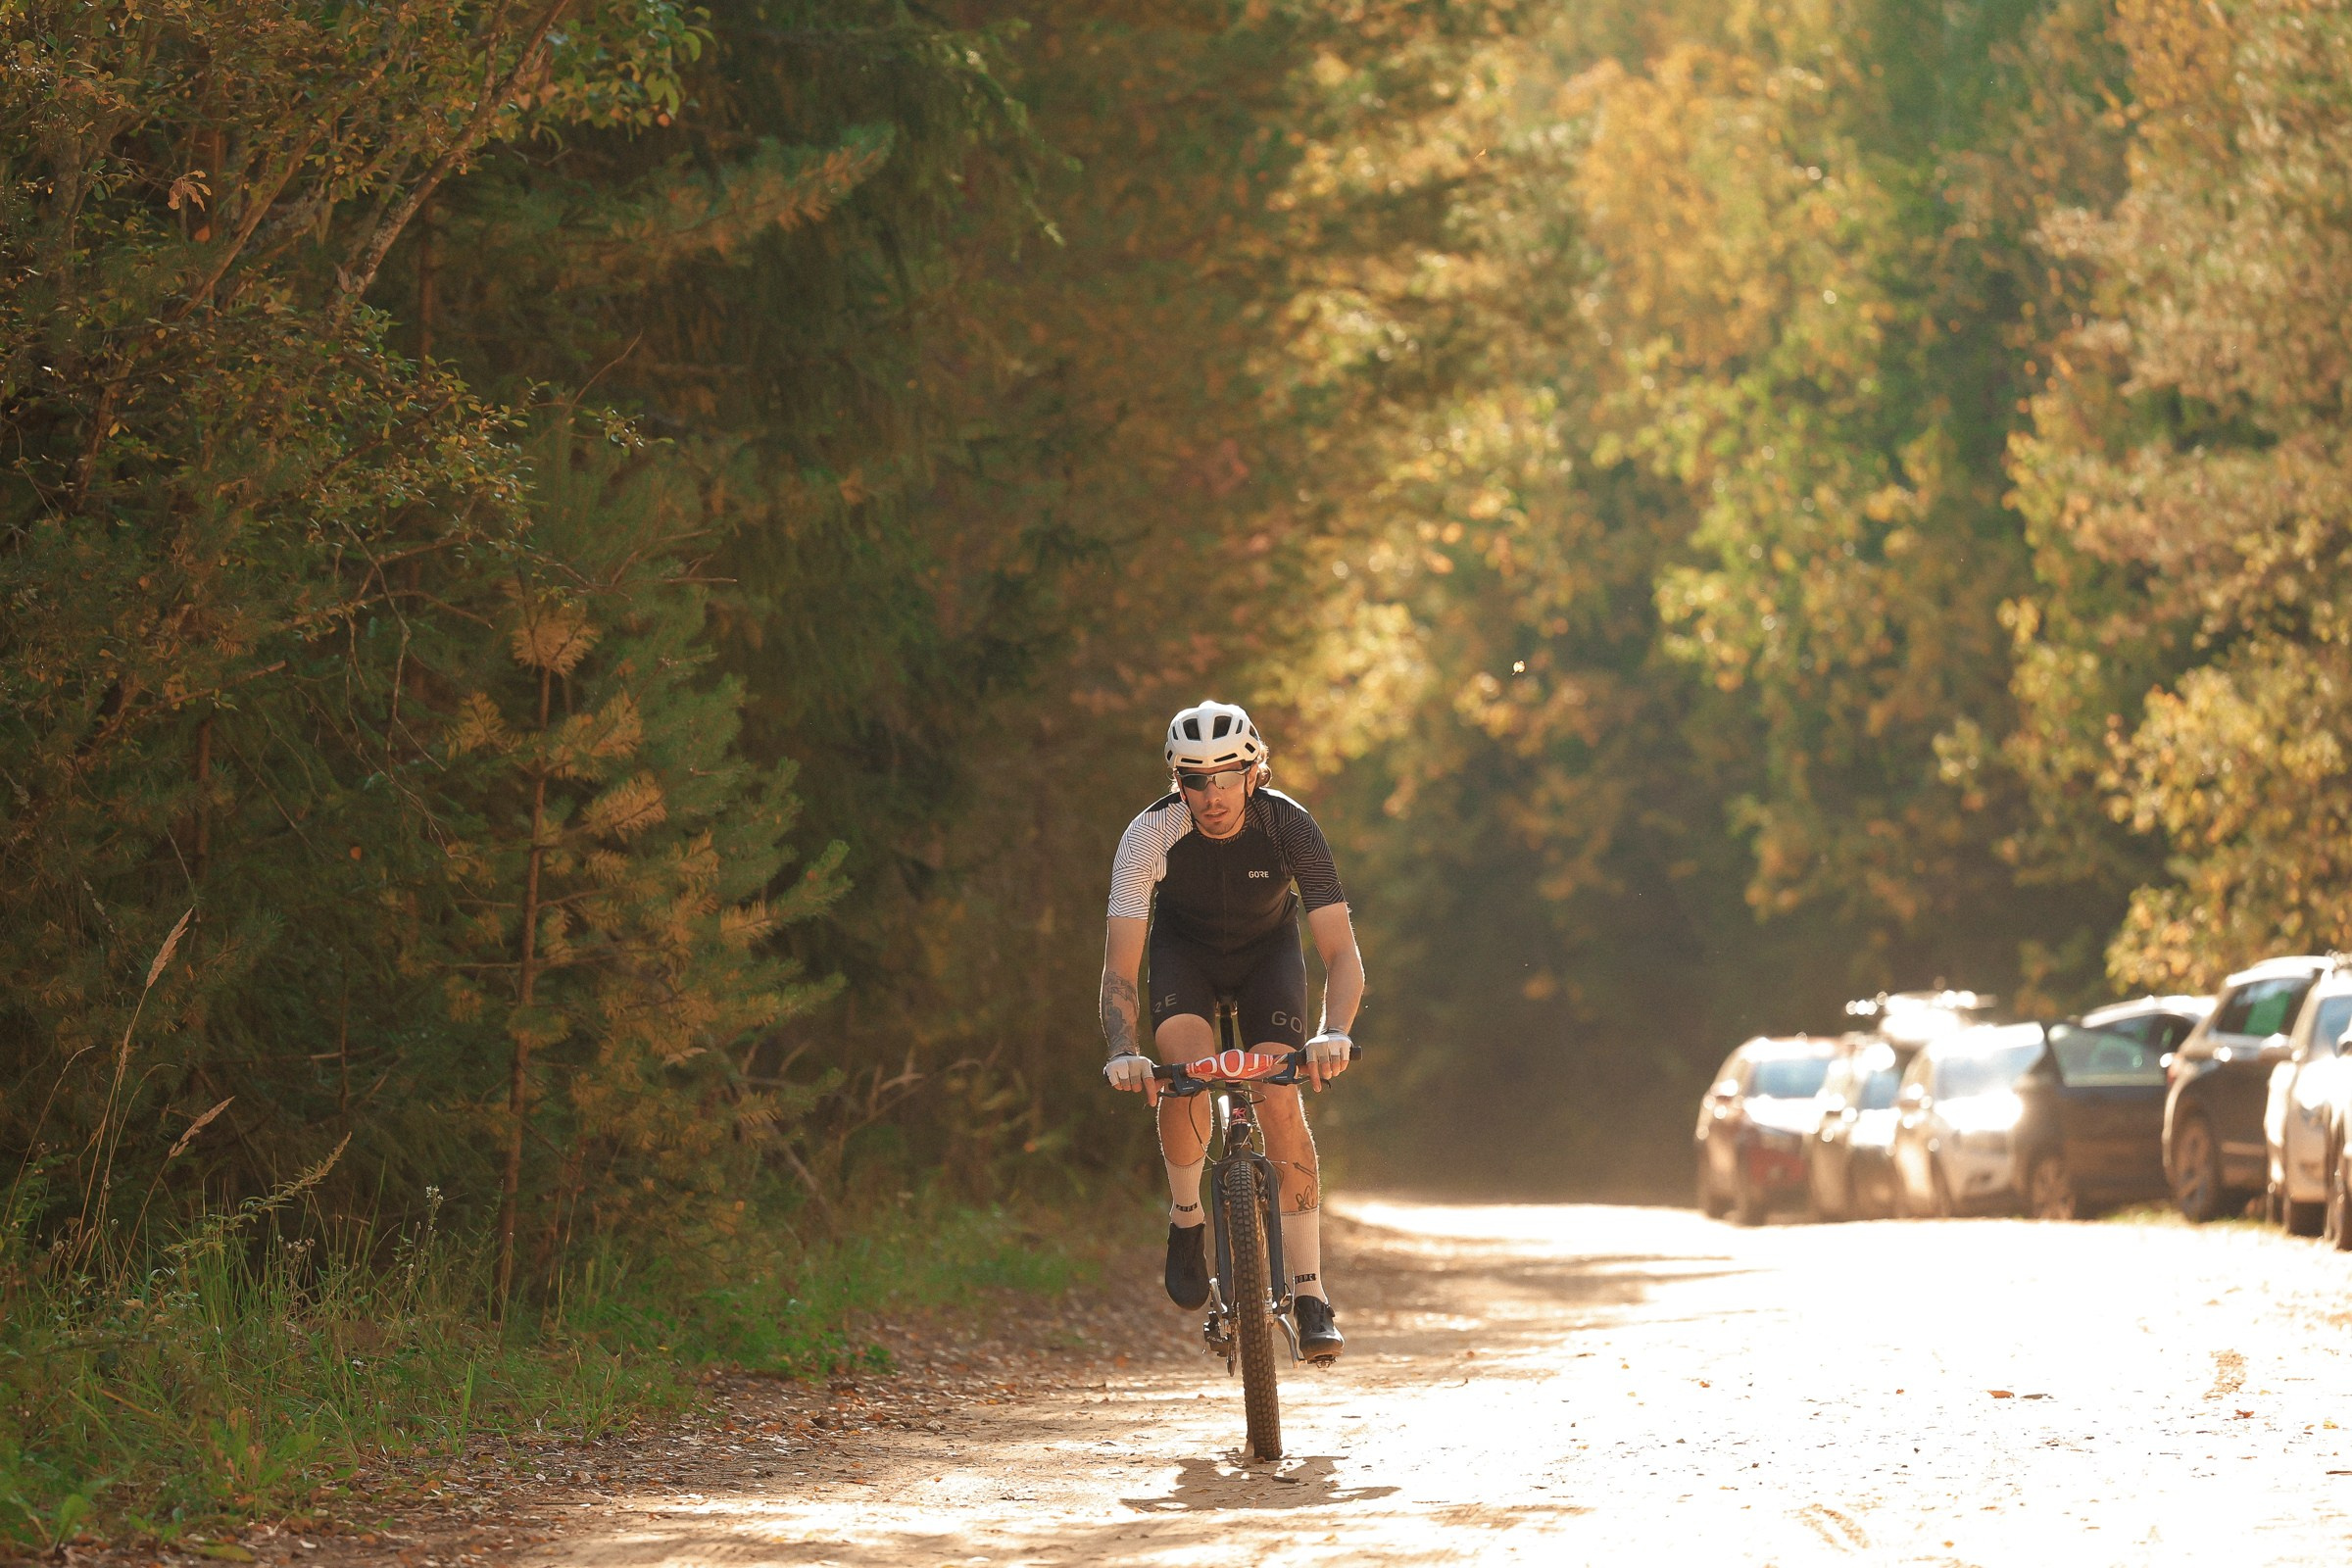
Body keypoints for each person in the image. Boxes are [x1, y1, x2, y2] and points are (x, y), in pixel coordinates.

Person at [1099, 700, 1365, 1361]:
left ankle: (1309, 1291)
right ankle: (1187, 1216)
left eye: (1225, 775)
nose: (1210, 795)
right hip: (1182, 959)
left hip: (1266, 957)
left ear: (1254, 772)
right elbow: (1120, 964)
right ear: (1176, 781)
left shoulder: (1291, 826)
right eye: (1194, 779)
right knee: (1184, 1075)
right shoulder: (1147, 835)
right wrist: (1122, 1048)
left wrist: (1334, 1031)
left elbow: (1339, 951)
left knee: (1280, 1090)